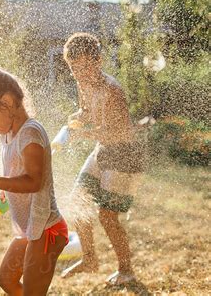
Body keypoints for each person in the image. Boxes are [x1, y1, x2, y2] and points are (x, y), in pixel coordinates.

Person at [0, 67, 68, 295]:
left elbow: (33, 182)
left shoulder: (31, 133)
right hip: (30, 229)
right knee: (7, 280)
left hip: (47, 229)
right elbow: (17, 172)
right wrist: (7, 190)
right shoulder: (8, 134)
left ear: (7, 102)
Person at [60, 32, 144, 285]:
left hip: (124, 155)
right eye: (74, 68)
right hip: (103, 150)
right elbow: (86, 110)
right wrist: (77, 118)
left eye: (84, 67)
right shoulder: (82, 83)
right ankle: (89, 259)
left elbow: (116, 131)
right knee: (77, 203)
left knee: (107, 216)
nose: (79, 74)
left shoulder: (113, 90)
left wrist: (82, 134)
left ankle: (126, 270)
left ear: (98, 62)